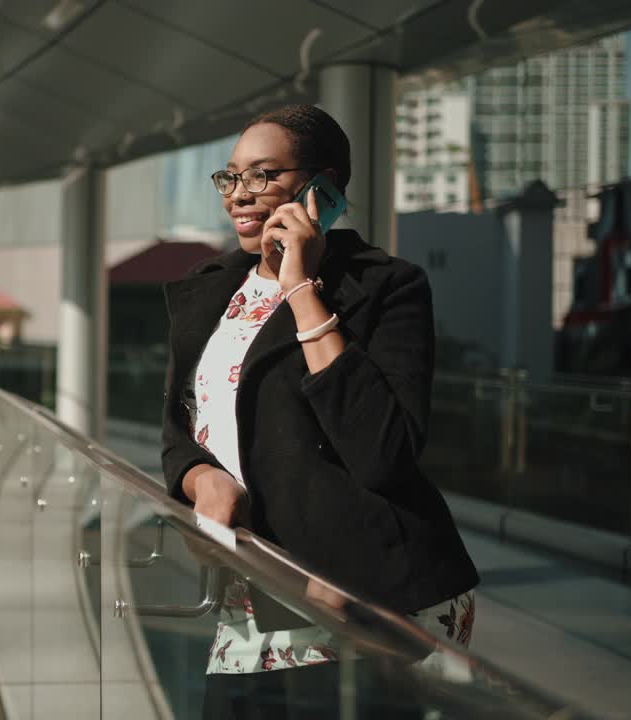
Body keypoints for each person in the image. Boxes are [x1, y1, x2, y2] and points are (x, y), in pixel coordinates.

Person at [160, 105, 480, 717]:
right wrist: (203, 480)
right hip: (252, 595)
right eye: (230, 178)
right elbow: (181, 429)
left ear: (322, 187)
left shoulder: (386, 287)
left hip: (362, 592)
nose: (239, 196)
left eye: (263, 176)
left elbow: (384, 451)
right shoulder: (210, 291)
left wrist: (301, 288)